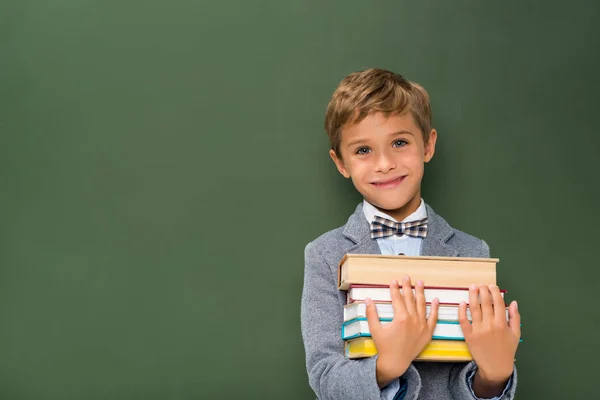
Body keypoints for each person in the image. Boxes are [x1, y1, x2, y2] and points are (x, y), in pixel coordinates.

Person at [300, 68, 521, 400]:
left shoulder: (471, 250)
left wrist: (496, 376)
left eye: (399, 142)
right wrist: (389, 363)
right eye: (363, 150)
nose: (385, 163)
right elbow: (325, 378)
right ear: (341, 163)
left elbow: (471, 376)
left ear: (427, 146)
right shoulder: (324, 254)